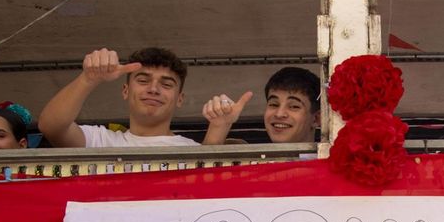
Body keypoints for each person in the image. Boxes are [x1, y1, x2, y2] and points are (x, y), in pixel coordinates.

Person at [38, 46, 198, 148]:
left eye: (166, 84)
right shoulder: (100, 141)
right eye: (143, 81)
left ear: (180, 99)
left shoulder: (195, 152)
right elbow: (51, 127)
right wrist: (88, 79)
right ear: (125, 91)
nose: (153, 89)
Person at [202, 66, 321, 145]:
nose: (279, 114)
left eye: (294, 106)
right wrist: (219, 126)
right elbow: (204, 174)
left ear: (316, 118)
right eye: (274, 104)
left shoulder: (328, 164)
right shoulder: (246, 161)